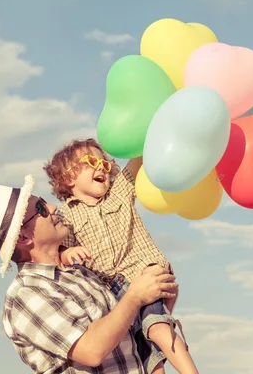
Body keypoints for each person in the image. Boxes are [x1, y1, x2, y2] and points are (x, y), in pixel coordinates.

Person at [0, 174, 178, 373]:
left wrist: (156, 296)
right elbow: (91, 350)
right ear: (24, 238)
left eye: (44, 201)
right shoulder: (25, 295)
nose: (52, 207)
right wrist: (135, 296)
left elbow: (128, 332)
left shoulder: (80, 272)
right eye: (40, 208)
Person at [43, 139, 199, 374]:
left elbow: (137, 162)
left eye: (106, 165)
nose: (102, 168)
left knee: (157, 327)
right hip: (114, 292)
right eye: (92, 162)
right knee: (146, 354)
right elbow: (57, 253)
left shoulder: (118, 194)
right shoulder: (66, 216)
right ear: (68, 178)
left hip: (144, 271)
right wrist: (68, 253)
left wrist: (149, 134)